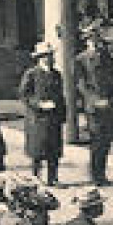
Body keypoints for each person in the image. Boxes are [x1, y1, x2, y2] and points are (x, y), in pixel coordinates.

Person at [74, 20, 113, 186]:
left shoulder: (106, 57)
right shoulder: (80, 60)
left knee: (106, 141)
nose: (95, 41)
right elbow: (81, 85)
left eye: (96, 37)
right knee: (96, 140)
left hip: (109, 104)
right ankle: (95, 175)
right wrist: (94, 100)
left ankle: (102, 174)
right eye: (91, 38)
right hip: (94, 107)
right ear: (86, 40)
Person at [18, 41, 67, 187]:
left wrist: (62, 114)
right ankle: (35, 178)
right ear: (40, 58)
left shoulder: (57, 74)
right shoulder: (32, 74)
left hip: (54, 118)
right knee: (37, 151)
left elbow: (61, 95)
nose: (49, 59)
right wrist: (39, 104)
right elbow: (24, 95)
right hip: (37, 119)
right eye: (46, 56)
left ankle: (53, 178)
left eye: (51, 56)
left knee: (54, 150)